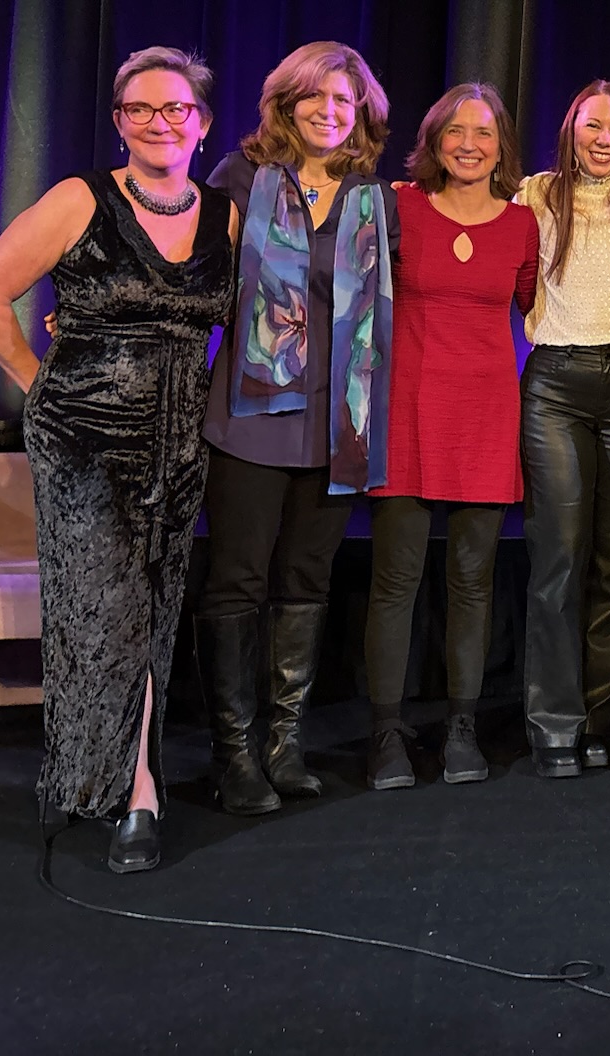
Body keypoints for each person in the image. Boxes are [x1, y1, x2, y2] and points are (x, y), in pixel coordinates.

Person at [0, 48, 236, 874]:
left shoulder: (223, 215)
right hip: (83, 444)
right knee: (108, 610)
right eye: (140, 109)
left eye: (176, 109)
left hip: (179, 446)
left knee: (153, 607)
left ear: (202, 123)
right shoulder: (80, 199)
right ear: (119, 122)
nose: (159, 123)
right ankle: (137, 793)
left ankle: (96, 775)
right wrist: (40, 386)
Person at [198, 41, 397, 817]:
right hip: (250, 419)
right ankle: (234, 753)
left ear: (361, 114)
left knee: (306, 582)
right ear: (286, 101)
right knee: (238, 582)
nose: (329, 111)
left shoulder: (373, 198)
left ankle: (284, 745)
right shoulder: (241, 177)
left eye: (344, 100)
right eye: (315, 95)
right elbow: (190, 274)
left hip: (338, 424)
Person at [363, 84, 538, 790]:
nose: (469, 144)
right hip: (406, 413)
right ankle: (386, 734)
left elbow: (541, 309)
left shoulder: (523, 224)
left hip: (486, 416)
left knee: (473, 582)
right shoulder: (398, 206)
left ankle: (462, 728)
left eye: (484, 132)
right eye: (455, 131)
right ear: (434, 141)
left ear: (502, 148)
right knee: (395, 582)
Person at [516, 80, 610, 778]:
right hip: (557, 386)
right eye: (592, 127)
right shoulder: (535, 194)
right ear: (570, 130)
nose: (604, 140)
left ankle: (596, 717)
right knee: (558, 556)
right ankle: (554, 722)